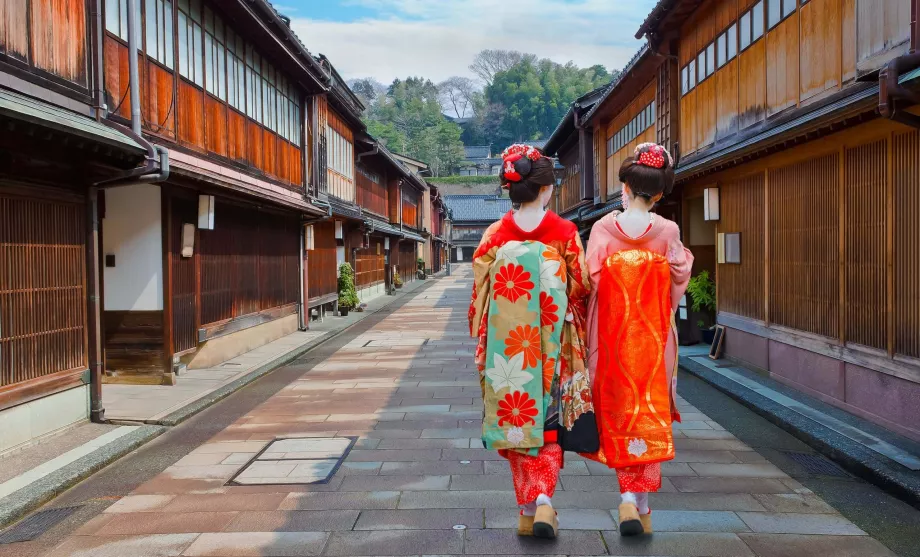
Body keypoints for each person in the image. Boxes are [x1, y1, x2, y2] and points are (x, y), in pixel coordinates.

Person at [469, 144, 596, 539]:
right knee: (550, 422)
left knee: (515, 420)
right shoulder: (564, 232)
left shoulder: (495, 235)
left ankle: (528, 508)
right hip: (552, 345)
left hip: (507, 347)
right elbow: (581, 287)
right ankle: (543, 502)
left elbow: (481, 295)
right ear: (546, 189)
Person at [584, 143, 693, 536]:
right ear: (660, 193)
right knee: (648, 411)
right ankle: (637, 501)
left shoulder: (601, 229)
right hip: (653, 339)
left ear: (623, 188)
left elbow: (590, 281)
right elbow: (679, 277)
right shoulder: (668, 230)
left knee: (617, 410)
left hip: (611, 340)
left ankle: (628, 497)